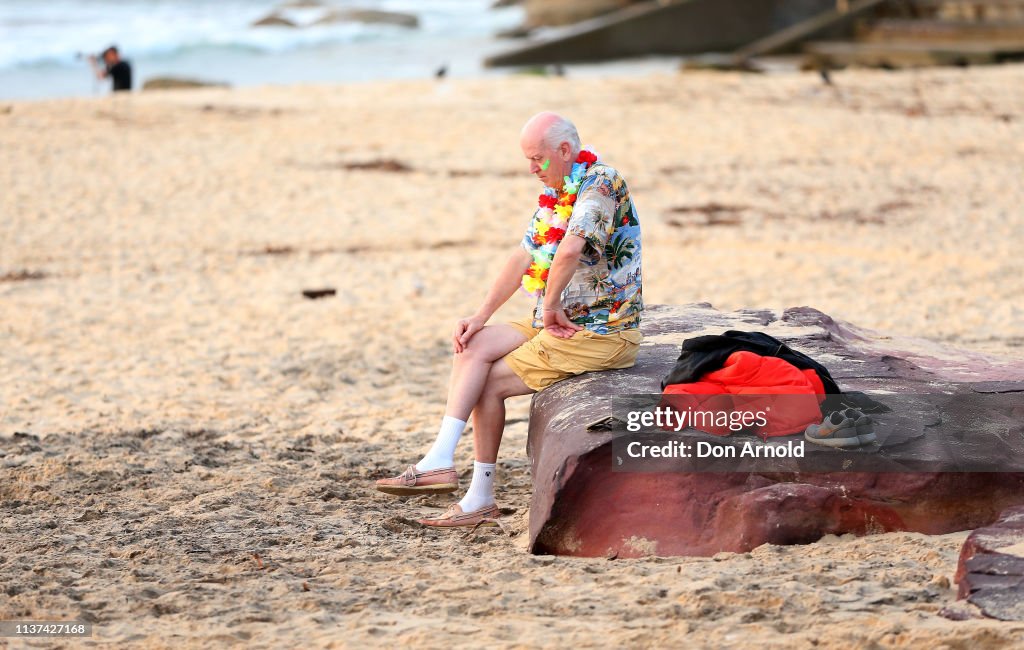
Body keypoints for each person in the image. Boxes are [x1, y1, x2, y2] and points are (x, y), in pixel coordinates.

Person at [375, 112, 644, 527]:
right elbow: (524, 255)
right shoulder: (557, 195)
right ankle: (440, 459)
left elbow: (571, 250)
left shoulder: (601, 183)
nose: (532, 169)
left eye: (537, 159)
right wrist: (480, 315)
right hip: (551, 322)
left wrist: (551, 303)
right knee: (475, 344)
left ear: (566, 151)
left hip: (598, 331)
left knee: (488, 383)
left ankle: (480, 497)